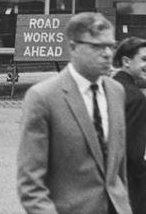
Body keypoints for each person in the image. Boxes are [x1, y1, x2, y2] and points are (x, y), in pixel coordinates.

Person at [17, 11, 132, 214]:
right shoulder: (43, 97)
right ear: (73, 47)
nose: (107, 54)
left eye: (111, 46)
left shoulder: (116, 92)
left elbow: (118, 168)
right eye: (97, 46)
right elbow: (30, 183)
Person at [113, 38, 146, 214]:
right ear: (126, 62)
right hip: (129, 179)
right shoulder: (135, 98)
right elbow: (134, 152)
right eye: (144, 59)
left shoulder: (111, 86)